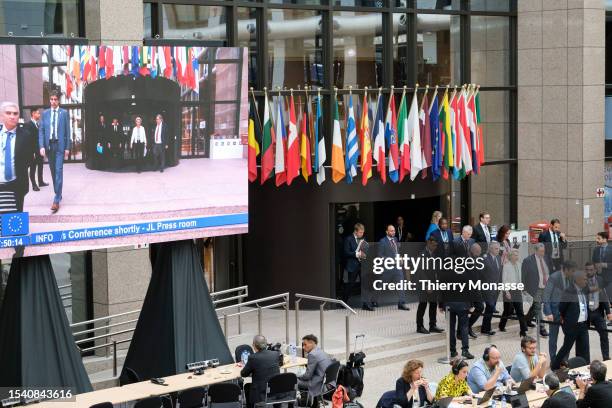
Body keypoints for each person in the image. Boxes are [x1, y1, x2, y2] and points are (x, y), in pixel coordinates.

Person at [38, 90, 71, 213]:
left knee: (58, 171)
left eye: (55, 99)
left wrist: (67, 147)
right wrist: (41, 146)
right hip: (49, 147)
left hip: (60, 147)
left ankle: (56, 200)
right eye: (51, 99)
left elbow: (68, 131)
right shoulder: (45, 113)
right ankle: (59, 193)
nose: (52, 101)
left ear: (58, 100)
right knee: (53, 172)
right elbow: (41, 131)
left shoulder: (64, 113)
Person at [552, 270, 590, 369]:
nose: (586, 281)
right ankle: (555, 366)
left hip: (583, 325)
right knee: (566, 347)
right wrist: (566, 320)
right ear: (577, 280)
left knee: (585, 348)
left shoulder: (585, 290)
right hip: (572, 326)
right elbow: (562, 308)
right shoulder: (568, 291)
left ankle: (586, 367)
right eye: (584, 279)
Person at [543, 260, 577, 363]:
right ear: (565, 269)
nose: (573, 273)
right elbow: (546, 295)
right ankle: (554, 360)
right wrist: (548, 312)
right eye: (572, 271)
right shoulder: (554, 277)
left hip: (567, 314)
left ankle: (564, 359)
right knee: (553, 338)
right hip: (554, 313)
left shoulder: (571, 278)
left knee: (569, 337)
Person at [0, 101, 31, 213]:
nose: (12, 116)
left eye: (15, 113)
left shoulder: (26, 136)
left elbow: (28, 160)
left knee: (15, 223)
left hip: (16, 184)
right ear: (1, 115)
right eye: (8, 113)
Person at [240, 334, 281, 408]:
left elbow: (243, 374)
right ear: (266, 344)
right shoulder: (275, 354)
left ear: (254, 345)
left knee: (247, 386)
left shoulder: (253, 358)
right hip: (275, 388)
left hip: (261, 391)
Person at [522, 243, 553, 337]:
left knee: (535, 306)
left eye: (543, 251)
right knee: (538, 307)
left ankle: (526, 320)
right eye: (540, 251)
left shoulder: (546, 258)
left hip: (546, 286)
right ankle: (542, 328)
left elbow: (550, 270)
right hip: (535, 287)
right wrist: (523, 288)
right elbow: (523, 275)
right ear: (535, 251)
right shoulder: (528, 260)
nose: (542, 253)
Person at [378, 224, 409, 310]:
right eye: (391, 231)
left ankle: (401, 303)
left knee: (401, 284)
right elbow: (380, 256)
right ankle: (374, 300)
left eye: (394, 231)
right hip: (388, 267)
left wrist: (400, 257)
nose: (393, 232)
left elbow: (396, 252)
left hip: (397, 267)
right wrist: (390, 260)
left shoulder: (395, 239)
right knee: (381, 285)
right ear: (387, 232)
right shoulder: (382, 241)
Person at [416, 237, 443, 334]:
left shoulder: (434, 254)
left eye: (436, 245)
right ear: (428, 243)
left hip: (433, 283)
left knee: (433, 304)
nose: (435, 247)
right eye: (433, 245)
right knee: (422, 305)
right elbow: (421, 271)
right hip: (424, 284)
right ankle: (419, 326)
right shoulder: (422, 255)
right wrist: (427, 284)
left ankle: (433, 325)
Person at [585, 261, 611, 361]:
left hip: (597, 312)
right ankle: (585, 360)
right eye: (587, 270)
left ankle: (606, 358)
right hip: (586, 313)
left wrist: (608, 312)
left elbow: (604, 295)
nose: (589, 272)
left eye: (591, 270)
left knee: (604, 334)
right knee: (582, 336)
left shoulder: (600, 280)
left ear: (595, 270)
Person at [298, 334, 333, 406]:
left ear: (312, 343)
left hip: (320, 384)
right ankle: (314, 402)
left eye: (305, 344)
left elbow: (307, 376)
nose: (303, 347)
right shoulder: (320, 351)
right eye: (303, 345)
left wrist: (298, 377)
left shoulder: (312, 355)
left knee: (294, 380)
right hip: (329, 382)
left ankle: (305, 402)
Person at [499, 249, 528, 336]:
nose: (517, 257)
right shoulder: (506, 266)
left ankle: (523, 330)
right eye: (515, 255)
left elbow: (521, 278)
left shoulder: (519, 265)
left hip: (517, 290)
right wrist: (506, 292)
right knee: (507, 311)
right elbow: (504, 280)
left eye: (517, 255)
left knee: (520, 311)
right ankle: (501, 325)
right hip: (509, 290)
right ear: (510, 256)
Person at [342, 223, 368, 309]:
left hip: (362, 264)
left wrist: (364, 254)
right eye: (360, 232)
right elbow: (346, 252)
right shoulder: (348, 239)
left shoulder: (363, 239)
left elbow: (365, 250)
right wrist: (357, 254)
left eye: (363, 232)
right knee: (350, 285)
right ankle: (343, 302)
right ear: (355, 231)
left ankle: (365, 304)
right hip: (352, 265)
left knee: (364, 284)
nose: (362, 234)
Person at [480, 241, 502, 336]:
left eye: (498, 248)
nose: (498, 250)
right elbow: (480, 273)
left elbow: (499, 273)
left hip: (495, 288)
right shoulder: (484, 258)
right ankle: (485, 328)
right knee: (490, 306)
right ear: (490, 249)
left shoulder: (498, 258)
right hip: (487, 287)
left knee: (490, 308)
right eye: (496, 249)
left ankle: (486, 328)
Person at [24, 107, 46, 191]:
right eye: (37, 113)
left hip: (39, 150)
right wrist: (31, 152)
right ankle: (34, 185)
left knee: (40, 166)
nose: (39, 114)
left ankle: (41, 181)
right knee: (33, 168)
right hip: (32, 151)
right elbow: (28, 140)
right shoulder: (28, 125)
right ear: (33, 114)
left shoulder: (38, 124)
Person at [466, 243, 484, 339]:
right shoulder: (467, 259)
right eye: (478, 252)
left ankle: (468, 326)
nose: (479, 253)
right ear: (473, 251)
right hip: (468, 289)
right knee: (466, 310)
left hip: (476, 288)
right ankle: (463, 330)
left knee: (480, 307)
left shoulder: (477, 258)